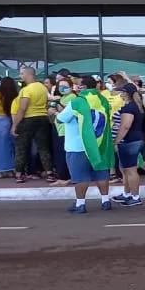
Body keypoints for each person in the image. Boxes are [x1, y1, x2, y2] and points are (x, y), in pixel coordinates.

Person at [55, 76, 115, 213]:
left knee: (80, 176)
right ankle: (105, 201)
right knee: (101, 174)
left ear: (83, 87)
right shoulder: (103, 101)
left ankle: (80, 204)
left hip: (77, 146)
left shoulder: (77, 102)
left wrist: (54, 113)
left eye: (79, 84)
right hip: (99, 144)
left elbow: (61, 118)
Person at [12, 66, 54, 182]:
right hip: (42, 118)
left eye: (22, 74)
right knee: (43, 147)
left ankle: (19, 174)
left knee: (22, 147)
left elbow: (22, 108)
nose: (21, 76)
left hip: (28, 119)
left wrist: (15, 125)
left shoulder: (26, 90)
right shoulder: (42, 88)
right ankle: (50, 172)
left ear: (28, 74)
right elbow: (46, 103)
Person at [111, 84, 145, 206]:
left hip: (129, 141)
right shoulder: (136, 107)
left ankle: (135, 196)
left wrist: (116, 140)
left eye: (122, 92)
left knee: (130, 170)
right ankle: (127, 193)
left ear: (126, 94)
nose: (120, 94)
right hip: (134, 140)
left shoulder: (129, 108)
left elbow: (125, 126)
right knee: (125, 169)